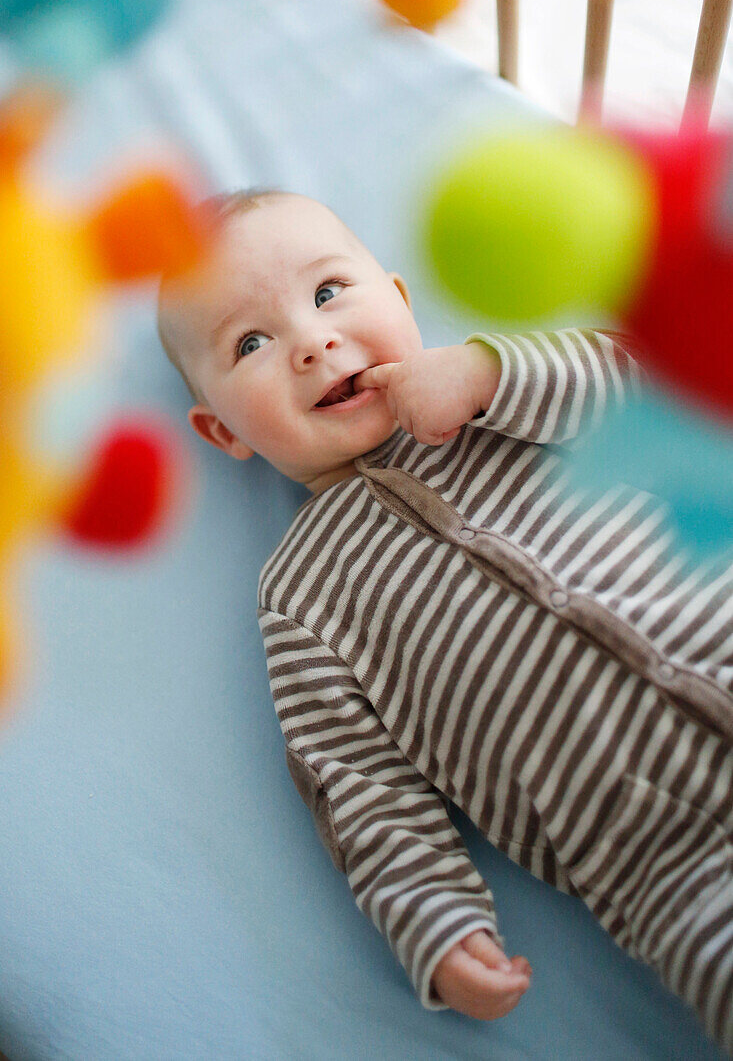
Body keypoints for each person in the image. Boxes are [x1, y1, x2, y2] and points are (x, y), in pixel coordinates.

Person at [157, 188, 733, 1053]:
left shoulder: (500, 403)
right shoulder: (300, 597)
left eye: (327, 294)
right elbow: (356, 784)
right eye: (250, 343)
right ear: (224, 431)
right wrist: (433, 922)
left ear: (399, 298)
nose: (313, 343)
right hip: (667, 865)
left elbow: (641, 389)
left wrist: (490, 373)